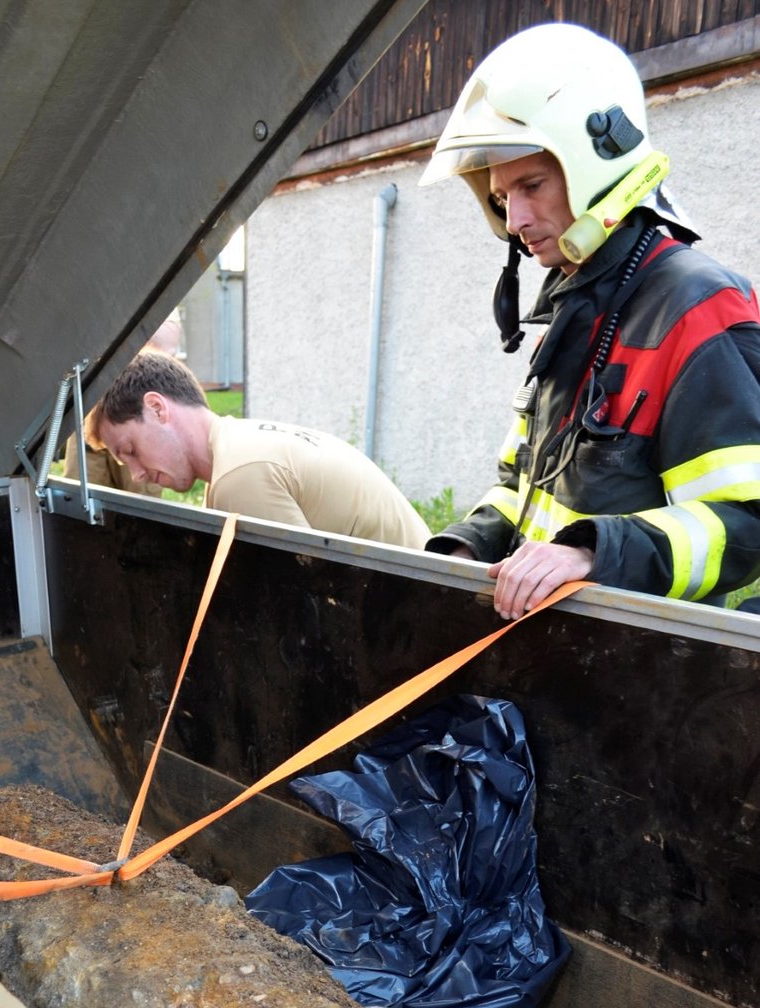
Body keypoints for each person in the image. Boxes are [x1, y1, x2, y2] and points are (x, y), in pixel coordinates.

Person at [420, 22, 760, 620]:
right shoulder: (575, 308)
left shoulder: (697, 308)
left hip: (645, 666)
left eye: (532, 185)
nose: (516, 219)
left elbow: (746, 521)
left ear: (595, 164)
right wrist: (465, 547)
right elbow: (521, 485)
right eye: (502, 197)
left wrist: (590, 553)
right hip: (553, 647)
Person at [94, 351, 432, 549]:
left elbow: (294, 612)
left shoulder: (240, 474)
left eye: (131, 449)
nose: (136, 473)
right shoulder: (238, 447)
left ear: (156, 408)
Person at [62, 311, 184, 495]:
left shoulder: (146, 298)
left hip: (135, 418)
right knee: (79, 499)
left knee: (139, 507)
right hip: (89, 410)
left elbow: (166, 342)